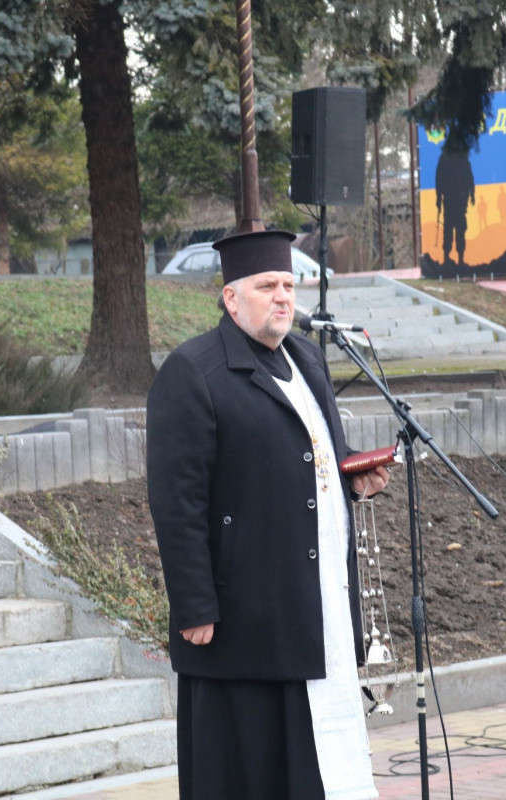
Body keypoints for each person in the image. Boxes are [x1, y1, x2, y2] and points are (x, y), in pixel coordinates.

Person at [147, 229, 390, 800]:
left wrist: (355, 476)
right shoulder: (193, 371)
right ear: (232, 298)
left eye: (288, 284)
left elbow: (317, 454)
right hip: (243, 618)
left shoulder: (306, 359)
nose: (283, 296)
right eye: (266, 286)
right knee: (248, 771)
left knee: (314, 768)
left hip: (313, 602)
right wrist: (194, 603)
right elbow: (177, 500)